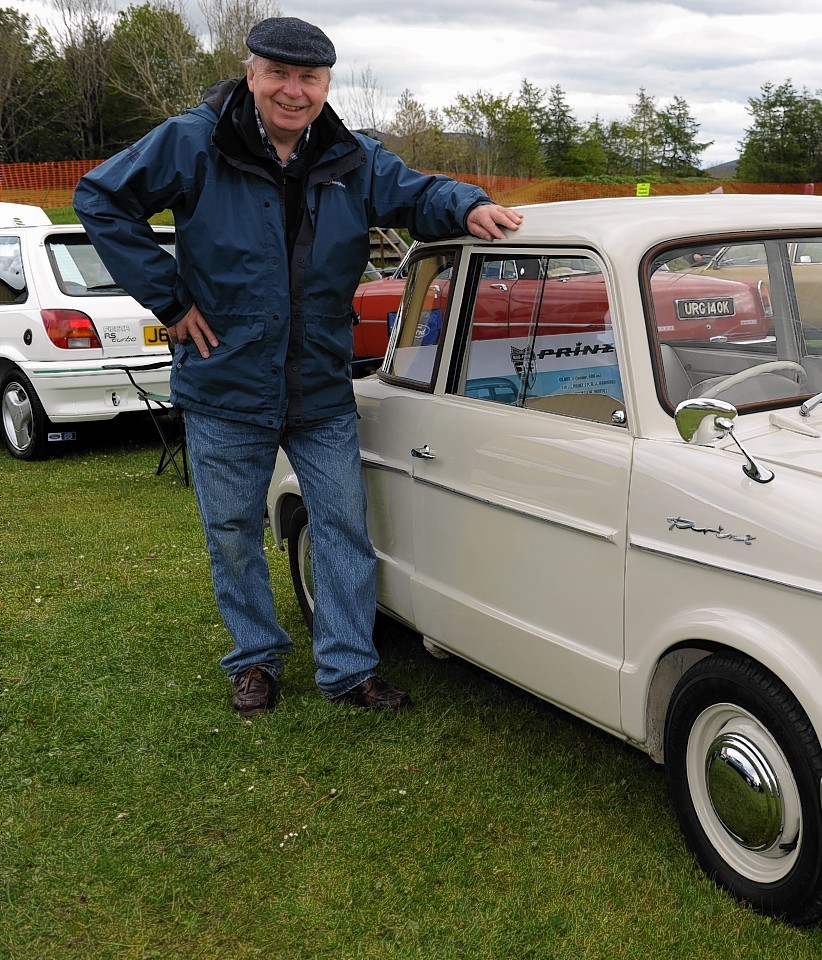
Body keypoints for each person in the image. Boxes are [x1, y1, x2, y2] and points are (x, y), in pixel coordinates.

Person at [74, 16, 524, 716]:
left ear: (325, 85)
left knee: (343, 528)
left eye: (308, 78)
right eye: (278, 74)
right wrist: (170, 298)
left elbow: (418, 194)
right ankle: (254, 660)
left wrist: (470, 204)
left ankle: (348, 669)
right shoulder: (196, 141)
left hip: (317, 385)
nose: (293, 90)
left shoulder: (352, 157)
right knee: (232, 532)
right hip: (225, 382)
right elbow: (100, 197)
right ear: (252, 74)